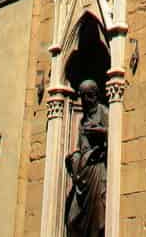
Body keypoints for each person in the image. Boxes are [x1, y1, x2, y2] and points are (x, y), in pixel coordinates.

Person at [64, 79, 107, 236]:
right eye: (82, 97)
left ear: (95, 95)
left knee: (97, 221)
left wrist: (103, 132)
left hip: (97, 171)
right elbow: (80, 146)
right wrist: (73, 157)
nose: (84, 100)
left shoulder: (104, 112)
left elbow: (114, 135)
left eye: (87, 96)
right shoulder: (82, 119)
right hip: (82, 176)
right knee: (72, 220)